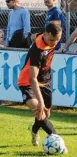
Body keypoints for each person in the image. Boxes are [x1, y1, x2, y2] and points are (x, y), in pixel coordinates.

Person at [17, 21, 67, 153]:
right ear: (45, 34)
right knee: (40, 111)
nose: (54, 43)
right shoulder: (37, 51)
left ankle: (33, 130)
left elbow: (52, 25)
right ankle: (59, 143)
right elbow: (32, 79)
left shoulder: (49, 35)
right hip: (27, 82)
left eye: (57, 40)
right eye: (52, 40)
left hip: (45, 81)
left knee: (45, 113)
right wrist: (40, 102)